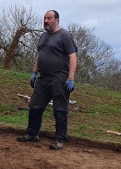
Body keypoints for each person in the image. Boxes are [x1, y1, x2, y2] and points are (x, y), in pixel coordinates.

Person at [18, 10, 78, 150]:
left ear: (56, 20)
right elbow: (40, 55)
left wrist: (70, 78)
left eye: (49, 18)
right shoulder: (43, 36)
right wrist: (34, 73)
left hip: (60, 78)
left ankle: (60, 139)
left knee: (60, 109)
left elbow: (73, 57)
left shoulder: (64, 36)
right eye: (45, 18)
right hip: (43, 78)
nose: (46, 21)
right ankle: (32, 134)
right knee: (35, 106)